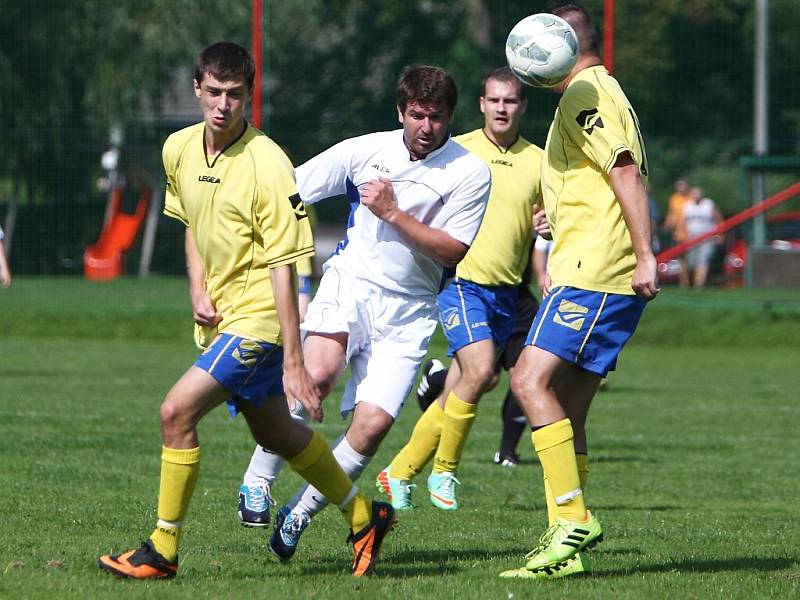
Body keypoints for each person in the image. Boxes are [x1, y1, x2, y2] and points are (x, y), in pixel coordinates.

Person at [98, 42, 393, 580]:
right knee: (276, 434)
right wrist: (197, 287)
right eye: (213, 92)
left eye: (234, 95)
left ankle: (162, 550)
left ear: (248, 96)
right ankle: (361, 515)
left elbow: (287, 266)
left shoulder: (270, 165)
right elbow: (189, 221)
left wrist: (295, 358)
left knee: (176, 413)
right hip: (220, 316)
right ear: (196, 89)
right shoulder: (179, 148)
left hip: (259, 319)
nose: (222, 105)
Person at [237, 65, 491, 560]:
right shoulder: (364, 151)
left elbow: (452, 251)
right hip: (350, 285)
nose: (425, 126)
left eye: (435, 117)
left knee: (372, 426)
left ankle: (299, 513)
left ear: (450, 118)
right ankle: (256, 482)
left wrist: (393, 212)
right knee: (315, 377)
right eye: (416, 115)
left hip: (411, 312)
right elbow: (289, 191)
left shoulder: (469, 172)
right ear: (400, 112)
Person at [498, 4, 659, 580]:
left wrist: (645, 254)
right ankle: (568, 550)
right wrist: (558, 218)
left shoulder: (583, 95)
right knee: (568, 406)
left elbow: (623, 173)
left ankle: (570, 520)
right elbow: (603, 177)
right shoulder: (604, 88)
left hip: (594, 275)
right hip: (601, 268)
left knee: (526, 381)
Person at [376, 67, 544, 511]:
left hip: (510, 291)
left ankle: (398, 472)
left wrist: (545, 223)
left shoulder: (539, 160)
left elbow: (546, 218)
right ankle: (445, 471)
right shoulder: (458, 151)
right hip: (462, 282)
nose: (502, 108)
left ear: (522, 106)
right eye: (494, 100)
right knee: (482, 371)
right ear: (482, 105)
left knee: (464, 387)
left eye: (510, 101)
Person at [415, 241, 542, 469]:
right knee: (485, 377)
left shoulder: (533, 205)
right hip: (478, 292)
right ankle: (435, 380)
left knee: (524, 375)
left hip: (517, 297)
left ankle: (506, 452)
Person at [683, 186, 723, 288]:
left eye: (698, 194)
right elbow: (684, 223)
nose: (696, 196)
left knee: (703, 260)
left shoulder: (708, 204)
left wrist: (720, 234)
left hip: (706, 238)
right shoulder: (687, 205)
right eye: (694, 194)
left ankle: (699, 284)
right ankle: (692, 283)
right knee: (691, 262)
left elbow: (718, 218)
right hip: (692, 238)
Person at [664, 177, 692, 287]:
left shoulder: (691, 198)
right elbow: (671, 214)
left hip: (691, 232)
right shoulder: (674, 199)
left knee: (691, 258)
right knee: (682, 258)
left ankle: (693, 280)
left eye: (683, 185)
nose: (681, 187)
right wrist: (667, 226)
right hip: (679, 232)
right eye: (679, 185)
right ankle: (684, 282)